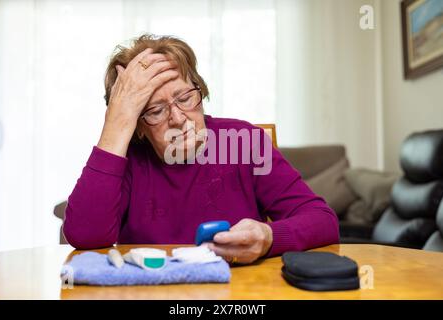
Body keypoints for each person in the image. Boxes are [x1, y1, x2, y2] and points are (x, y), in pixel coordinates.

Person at [63, 34, 339, 265]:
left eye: (185, 98)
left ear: (201, 91)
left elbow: (323, 222)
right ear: (137, 126)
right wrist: (116, 124)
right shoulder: (126, 157)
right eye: (155, 110)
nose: (178, 118)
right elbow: (84, 236)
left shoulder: (244, 141)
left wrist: (268, 237)